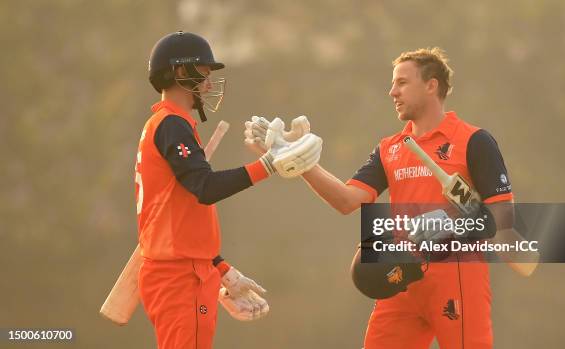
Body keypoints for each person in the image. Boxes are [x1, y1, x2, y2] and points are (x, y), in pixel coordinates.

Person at [245, 47, 533, 349]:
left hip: (458, 279)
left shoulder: (473, 141)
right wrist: (297, 161)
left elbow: (500, 220)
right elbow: (346, 200)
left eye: (402, 83)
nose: (392, 91)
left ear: (431, 85)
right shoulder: (389, 148)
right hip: (400, 279)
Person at [136, 31, 322, 349]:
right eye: (204, 75)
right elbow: (205, 188)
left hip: (185, 269)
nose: (209, 84)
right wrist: (268, 165)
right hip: (180, 277)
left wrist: (221, 269)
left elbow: (184, 213)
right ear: (181, 72)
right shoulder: (171, 124)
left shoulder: (171, 123)